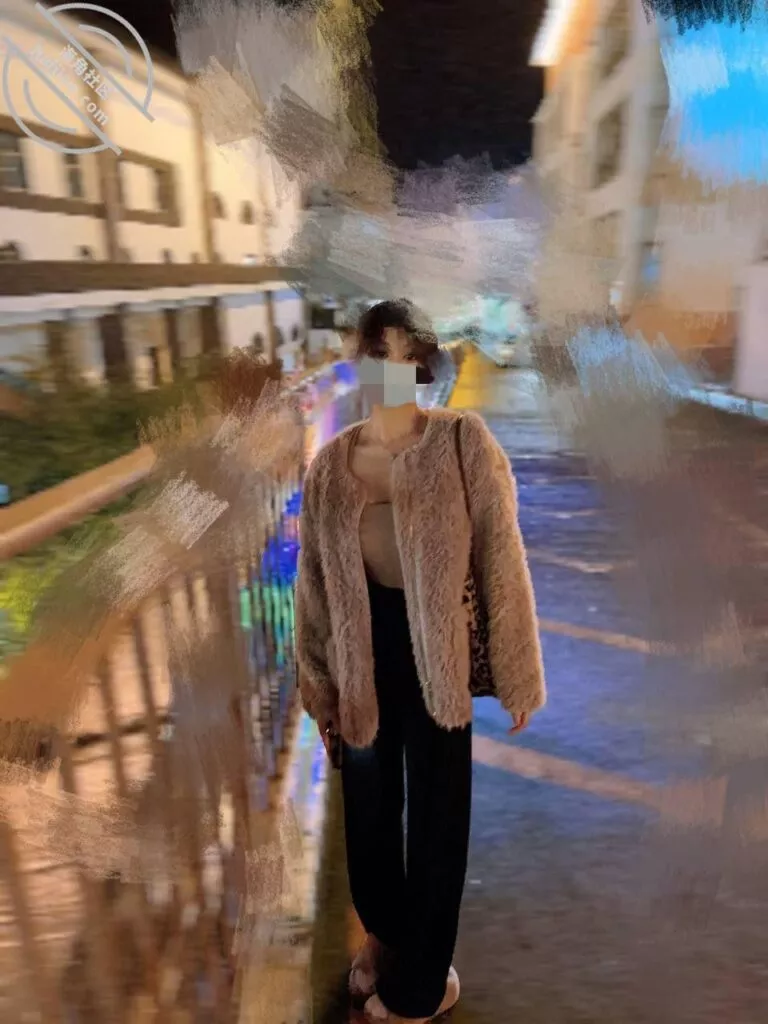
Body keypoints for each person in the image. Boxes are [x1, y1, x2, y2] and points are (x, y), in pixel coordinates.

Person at [295, 298, 545, 1023]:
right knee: (369, 815)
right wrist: (320, 687)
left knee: (438, 820)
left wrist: (518, 673)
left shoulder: (463, 443)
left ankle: (421, 987)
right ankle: (387, 937)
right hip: (361, 653)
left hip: (438, 655)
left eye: (403, 357)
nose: (388, 370)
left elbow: (501, 557)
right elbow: (313, 586)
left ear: (423, 367)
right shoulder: (330, 466)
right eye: (376, 355)